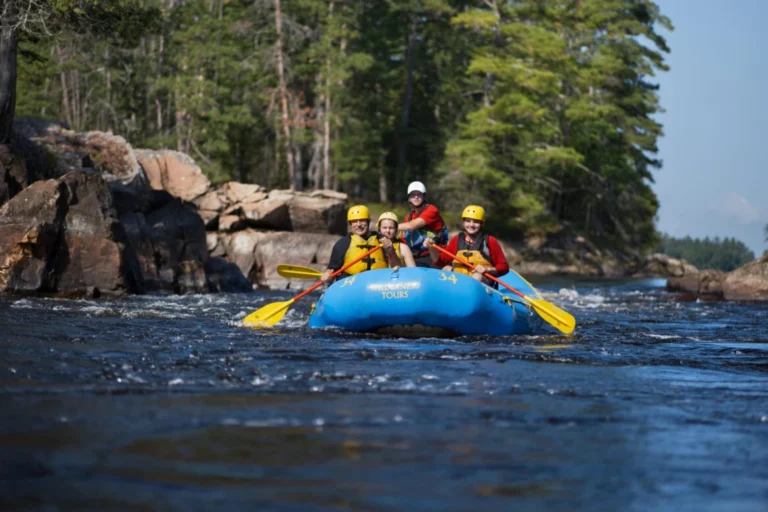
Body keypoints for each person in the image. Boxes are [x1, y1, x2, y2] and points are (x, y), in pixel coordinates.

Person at [424, 205, 509, 286]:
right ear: (464, 223)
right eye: (468, 221)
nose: (471, 225)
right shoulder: (456, 240)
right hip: (460, 283)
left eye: (476, 222)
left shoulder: (490, 241)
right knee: (446, 268)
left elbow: (504, 267)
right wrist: (431, 248)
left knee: (477, 276)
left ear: (482, 224)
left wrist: (487, 269)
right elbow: (439, 262)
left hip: (482, 285)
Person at [320, 205, 389, 283]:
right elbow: (331, 269)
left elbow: (395, 265)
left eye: (362, 220)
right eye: (355, 221)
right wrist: (327, 274)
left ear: (368, 221)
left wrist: (391, 250)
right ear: (350, 224)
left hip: (378, 283)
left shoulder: (382, 240)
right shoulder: (342, 244)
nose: (358, 224)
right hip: (352, 284)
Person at [397, 181, 449, 267]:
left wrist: (390, 226)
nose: (416, 197)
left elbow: (411, 226)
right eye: (413, 195)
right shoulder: (409, 217)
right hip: (418, 255)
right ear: (409, 198)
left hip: (435, 254)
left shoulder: (432, 210)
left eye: (419, 195)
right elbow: (404, 238)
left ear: (424, 196)